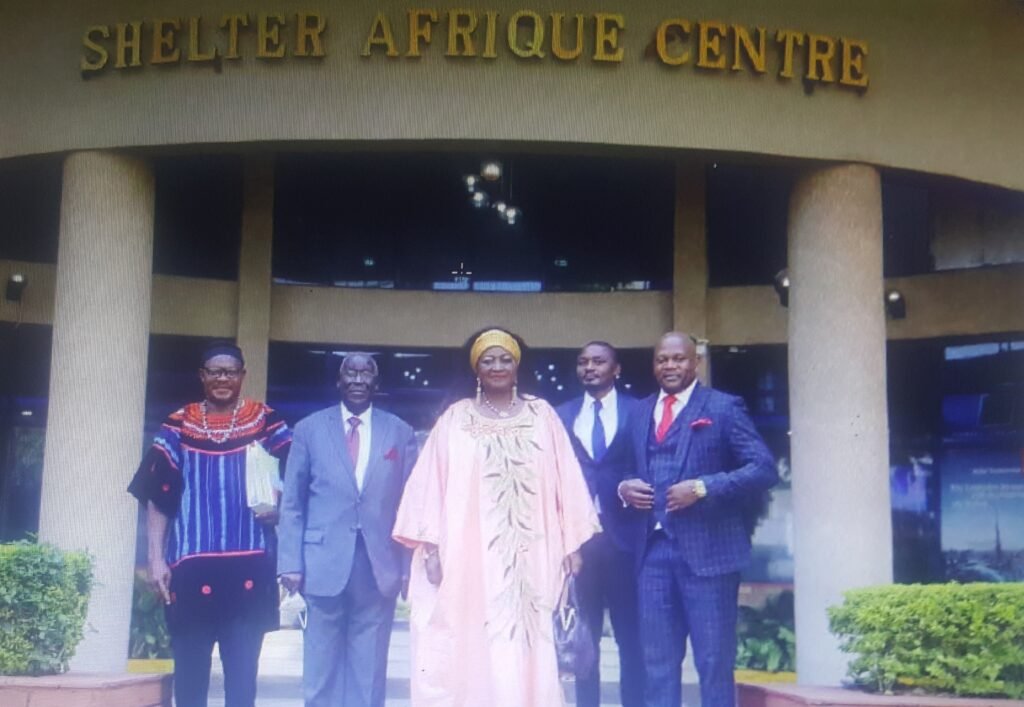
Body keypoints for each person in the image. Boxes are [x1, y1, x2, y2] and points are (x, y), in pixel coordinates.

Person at [393, 328, 600, 707]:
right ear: (476, 369)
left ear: (517, 366)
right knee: (466, 637)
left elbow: (566, 480)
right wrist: (432, 548)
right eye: (488, 360)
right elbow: (429, 486)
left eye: (505, 358)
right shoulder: (455, 419)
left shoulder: (543, 416)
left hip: (533, 557)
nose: (497, 366)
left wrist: (573, 545)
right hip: (467, 558)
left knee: (526, 640)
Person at [128, 343, 292, 707]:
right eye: (214, 371)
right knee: (189, 679)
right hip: (190, 569)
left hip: (250, 567)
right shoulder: (178, 424)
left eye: (230, 371)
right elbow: (157, 496)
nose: (222, 378)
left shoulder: (265, 421)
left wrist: (281, 510)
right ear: (202, 376)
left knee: (242, 681)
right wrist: (156, 559)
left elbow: (298, 478)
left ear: (242, 376)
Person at [619, 332, 778, 707]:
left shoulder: (722, 407)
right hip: (652, 553)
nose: (670, 366)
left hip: (710, 557)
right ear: (653, 363)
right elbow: (626, 467)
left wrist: (704, 487)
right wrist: (624, 487)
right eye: (662, 359)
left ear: (695, 363)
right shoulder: (640, 411)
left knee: (713, 662)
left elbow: (763, 468)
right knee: (656, 662)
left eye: (678, 359)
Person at [277, 353, 418, 707]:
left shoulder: (399, 432)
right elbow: (293, 501)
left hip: (377, 566)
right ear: (338, 383)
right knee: (320, 669)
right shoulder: (309, 429)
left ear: (377, 383)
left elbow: (410, 507)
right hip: (320, 563)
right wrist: (290, 561)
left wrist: (407, 568)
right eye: (350, 373)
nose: (358, 379)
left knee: (368, 671)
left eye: (366, 373)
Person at [555, 341, 645, 707]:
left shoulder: (639, 412)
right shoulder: (561, 415)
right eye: (583, 362)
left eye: (598, 361)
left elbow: (648, 464)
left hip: (626, 542)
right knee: (582, 640)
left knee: (631, 640)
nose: (589, 368)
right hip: (580, 545)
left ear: (616, 369)